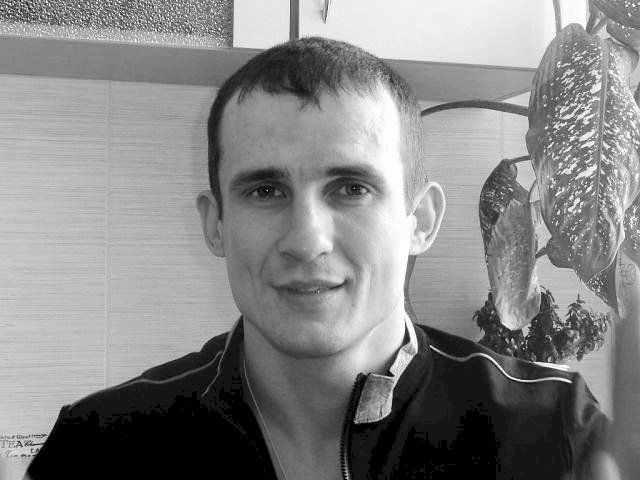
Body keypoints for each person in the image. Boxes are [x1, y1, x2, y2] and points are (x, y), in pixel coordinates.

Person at [25, 37, 610, 480]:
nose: (307, 241)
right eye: (265, 191)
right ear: (215, 224)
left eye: (351, 188)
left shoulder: (553, 436)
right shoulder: (98, 449)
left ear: (421, 220)